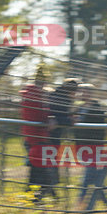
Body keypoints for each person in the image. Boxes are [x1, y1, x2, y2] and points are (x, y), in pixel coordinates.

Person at [20, 64, 57, 201]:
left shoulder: (28, 93)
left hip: (30, 137)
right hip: (38, 138)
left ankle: (43, 196)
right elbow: (40, 115)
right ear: (43, 82)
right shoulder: (37, 95)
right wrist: (49, 119)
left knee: (38, 169)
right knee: (40, 170)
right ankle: (39, 197)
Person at [74, 83, 107, 205]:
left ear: (89, 93)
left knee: (89, 175)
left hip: (94, 147)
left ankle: (80, 201)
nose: (81, 94)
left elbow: (101, 130)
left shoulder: (97, 108)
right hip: (81, 147)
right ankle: (105, 202)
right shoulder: (78, 109)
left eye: (83, 91)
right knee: (94, 176)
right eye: (80, 91)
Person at [48, 78, 79, 191]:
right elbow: (57, 117)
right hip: (51, 134)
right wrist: (70, 120)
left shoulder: (57, 95)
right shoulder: (61, 98)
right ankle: (50, 187)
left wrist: (70, 117)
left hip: (53, 134)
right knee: (51, 160)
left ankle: (51, 188)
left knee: (51, 160)